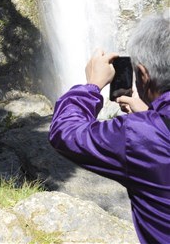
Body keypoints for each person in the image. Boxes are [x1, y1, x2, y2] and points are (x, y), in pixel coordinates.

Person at [49, 14, 170, 244]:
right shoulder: (146, 128)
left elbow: (65, 132)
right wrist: (151, 113)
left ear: (143, 75)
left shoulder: (137, 135)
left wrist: (92, 86)